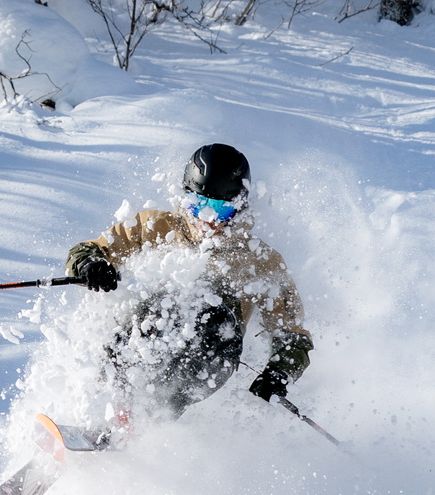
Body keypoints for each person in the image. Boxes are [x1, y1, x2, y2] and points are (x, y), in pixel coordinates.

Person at [63, 143, 313, 442]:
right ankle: (108, 412)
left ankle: (143, 424)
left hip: (209, 355)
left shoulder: (260, 260)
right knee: (160, 302)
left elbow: (291, 334)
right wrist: (92, 265)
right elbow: (87, 250)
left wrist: (279, 372)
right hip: (141, 339)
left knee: (208, 314)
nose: (207, 219)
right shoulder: (155, 226)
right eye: (198, 204)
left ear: (240, 205)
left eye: (221, 209)